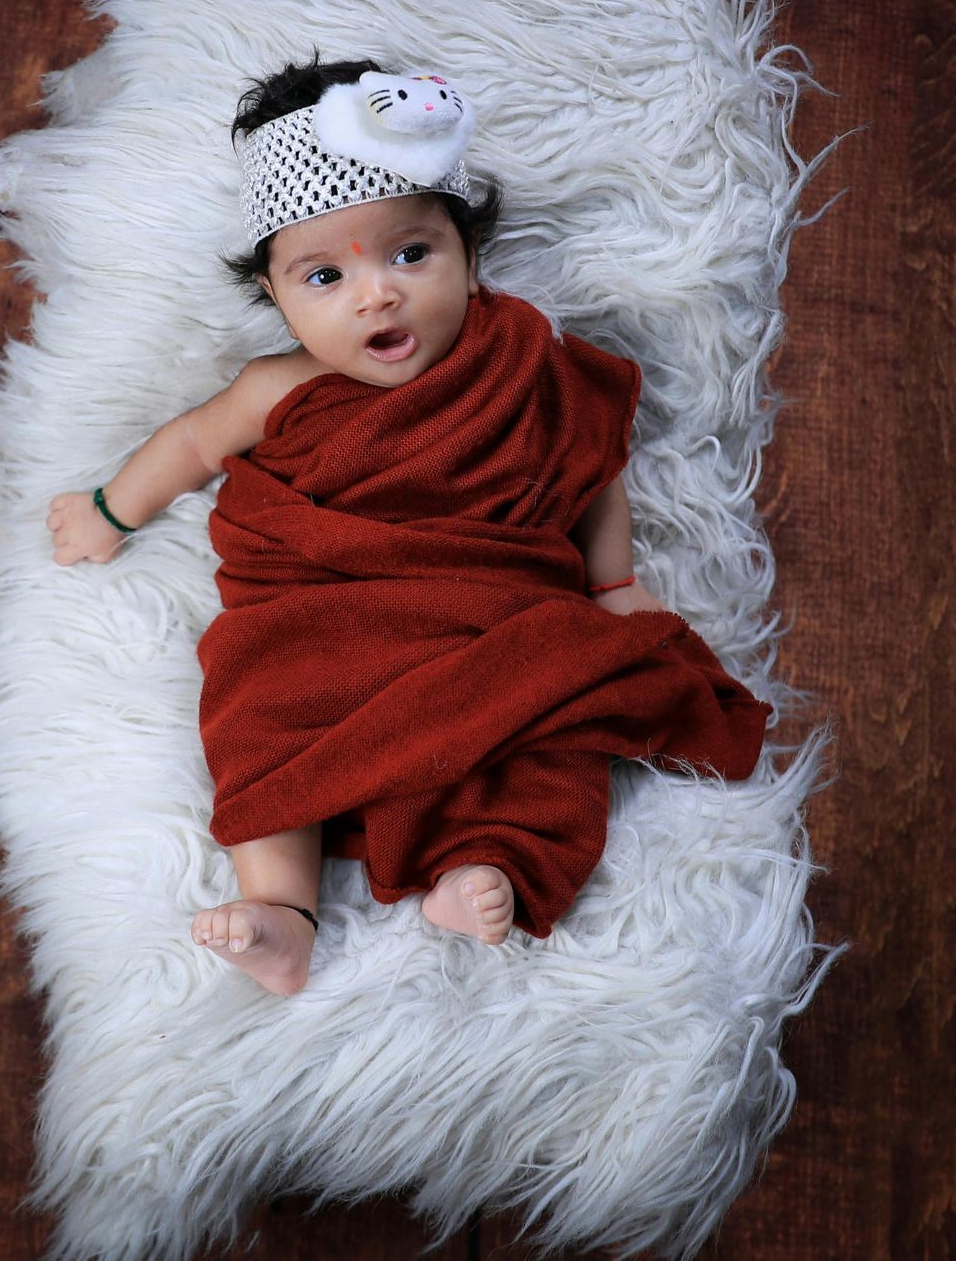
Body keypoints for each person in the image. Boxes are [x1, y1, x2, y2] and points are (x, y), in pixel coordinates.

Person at [48, 56, 771, 997]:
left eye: (410, 254)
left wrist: (611, 583)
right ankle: (282, 911)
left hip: (489, 615)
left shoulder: (524, 364)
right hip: (319, 621)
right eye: (325, 275)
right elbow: (189, 445)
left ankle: (484, 864)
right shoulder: (276, 388)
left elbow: (590, 471)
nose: (376, 295)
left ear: (468, 254)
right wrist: (110, 509)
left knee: (546, 730)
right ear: (275, 296)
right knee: (259, 717)